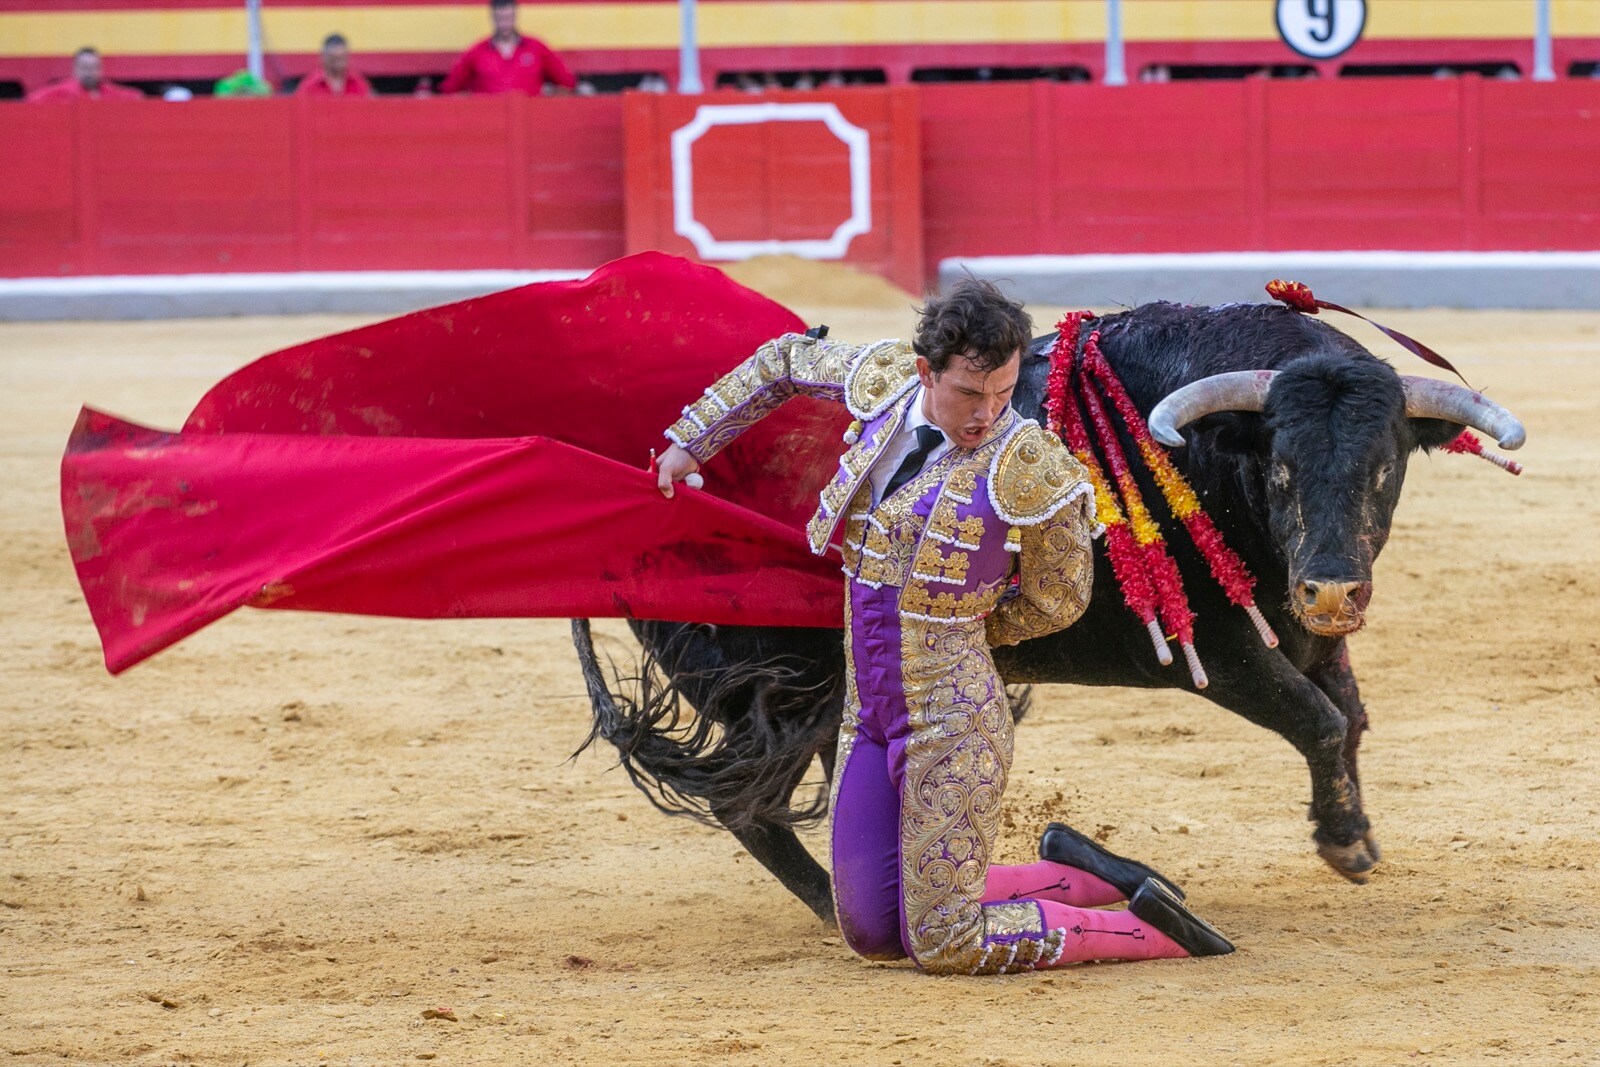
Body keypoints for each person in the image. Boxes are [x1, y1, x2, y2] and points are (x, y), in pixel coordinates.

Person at [654, 279, 1235, 975]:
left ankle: (1149, 930)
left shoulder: (1031, 464)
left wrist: (963, 628)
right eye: (969, 392)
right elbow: (782, 361)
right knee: (871, 929)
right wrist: (692, 442)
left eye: (1003, 392)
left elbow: (1062, 597)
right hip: (868, 713)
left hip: (953, 720)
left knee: (944, 942)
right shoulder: (884, 378)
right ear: (926, 370)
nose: (988, 413)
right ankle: (1090, 874)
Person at [439, 0, 576, 96]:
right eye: (500, 18)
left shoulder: (536, 48)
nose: (504, 24)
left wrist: (549, 93)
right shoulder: (477, 52)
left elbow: (567, 81)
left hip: (531, 121)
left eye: (508, 18)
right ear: (492, 17)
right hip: (486, 124)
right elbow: (450, 88)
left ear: (515, 16)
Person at [27, 47, 143, 102]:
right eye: (84, 68)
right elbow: (32, 99)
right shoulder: (62, 91)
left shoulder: (108, 90)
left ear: (100, 69)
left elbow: (136, 96)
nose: (89, 72)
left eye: (93, 67)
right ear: (75, 68)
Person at [296, 34, 373, 97]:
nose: (338, 63)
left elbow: (372, 109)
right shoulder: (310, 86)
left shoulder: (359, 83)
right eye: (334, 59)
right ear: (323, 57)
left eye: (341, 58)